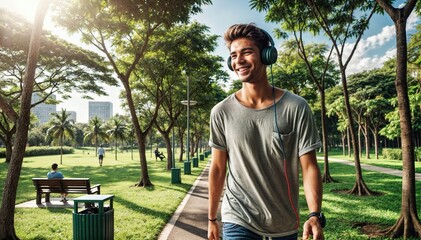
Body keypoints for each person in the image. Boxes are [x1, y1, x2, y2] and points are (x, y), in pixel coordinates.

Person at [207, 23, 325, 240]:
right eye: (233, 55)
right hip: (238, 216)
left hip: (283, 221)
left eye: (247, 52)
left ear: (267, 55)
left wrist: (314, 214)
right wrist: (212, 218)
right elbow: (217, 167)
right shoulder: (221, 112)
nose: (238, 60)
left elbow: (309, 167)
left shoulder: (296, 107)